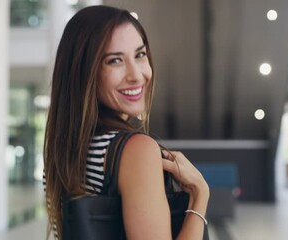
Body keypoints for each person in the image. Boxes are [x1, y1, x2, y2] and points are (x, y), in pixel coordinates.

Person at [44, 5, 209, 239]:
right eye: (114, 61)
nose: (136, 75)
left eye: (140, 55)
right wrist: (200, 195)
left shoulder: (65, 149)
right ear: (86, 71)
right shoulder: (136, 150)